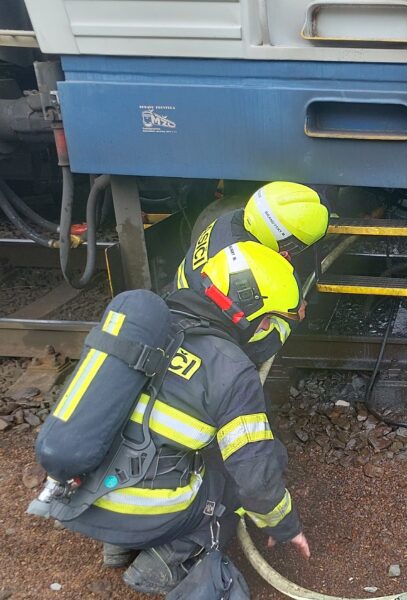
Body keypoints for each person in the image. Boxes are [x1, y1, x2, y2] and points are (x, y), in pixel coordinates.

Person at [62, 241, 311, 595]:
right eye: (276, 321)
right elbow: (255, 481)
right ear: (257, 317)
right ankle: (166, 559)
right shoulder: (231, 369)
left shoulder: (151, 324)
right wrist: (284, 526)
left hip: (82, 493)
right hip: (138, 512)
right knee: (229, 482)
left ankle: (117, 546)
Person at [173, 181, 329, 365]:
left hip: (182, 300)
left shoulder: (232, 219)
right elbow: (253, 343)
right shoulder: (243, 269)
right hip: (204, 340)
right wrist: (291, 317)